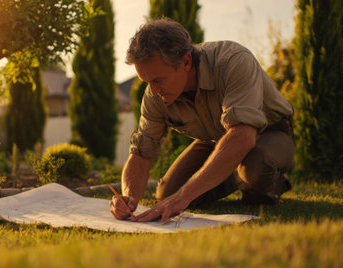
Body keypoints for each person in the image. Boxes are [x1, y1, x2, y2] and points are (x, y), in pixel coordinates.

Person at [109, 18, 295, 224]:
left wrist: (183, 196)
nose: (152, 91)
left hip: (270, 131)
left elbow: (242, 136)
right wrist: (128, 197)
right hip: (216, 138)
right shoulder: (154, 95)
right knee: (167, 194)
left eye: (158, 80)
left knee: (256, 168)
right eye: (147, 82)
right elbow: (141, 154)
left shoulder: (234, 61)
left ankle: (268, 181)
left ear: (186, 62)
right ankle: (231, 170)